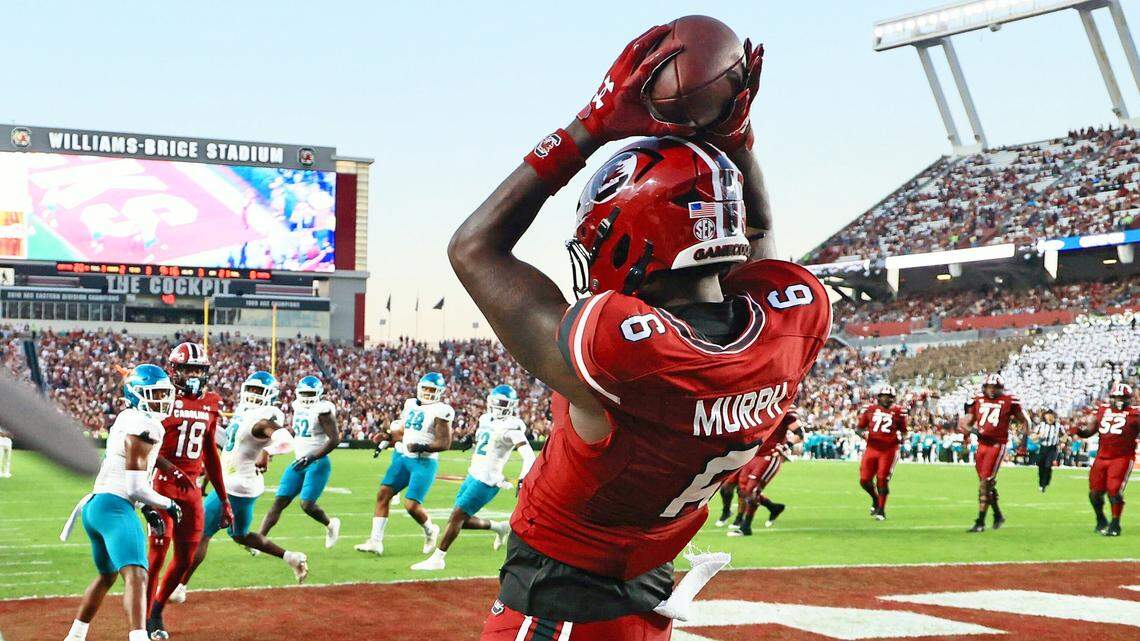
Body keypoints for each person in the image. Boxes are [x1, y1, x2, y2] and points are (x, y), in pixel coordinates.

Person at [449, 25, 824, 640]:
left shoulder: (624, 349)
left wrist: (590, 125)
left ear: (628, 236)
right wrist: (738, 141)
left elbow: (474, 248)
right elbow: (757, 239)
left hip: (561, 602)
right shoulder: (783, 326)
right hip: (649, 592)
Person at [164, 372, 309, 604]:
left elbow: (285, 441)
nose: (253, 395)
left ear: (270, 396)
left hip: (235, 486)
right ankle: (291, 557)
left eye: (259, 392)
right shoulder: (244, 414)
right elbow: (226, 443)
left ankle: (180, 586)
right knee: (241, 536)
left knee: (201, 534)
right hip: (242, 485)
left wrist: (267, 452)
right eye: (251, 389)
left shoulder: (263, 418)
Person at [61, 365, 182, 641]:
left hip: (96, 508)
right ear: (138, 394)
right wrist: (167, 504)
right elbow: (135, 487)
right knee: (137, 576)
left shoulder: (128, 417)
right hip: (114, 507)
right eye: (156, 393)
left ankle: (75, 636)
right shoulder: (144, 427)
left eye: (165, 392)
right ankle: (138, 637)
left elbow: (124, 477)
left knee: (107, 576)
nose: (163, 399)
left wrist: (148, 508)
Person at [145, 343, 230, 640]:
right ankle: (144, 622)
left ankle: (156, 609)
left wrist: (224, 498)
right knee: (156, 557)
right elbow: (146, 446)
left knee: (184, 560)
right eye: (188, 368)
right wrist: (171, 470)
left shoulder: (212, 401)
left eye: (198, 369)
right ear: (174, 371)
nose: (194, 374)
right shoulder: (161, 399)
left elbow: (211, 453)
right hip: (161, 485)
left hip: (192, 489)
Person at [411, 384, 536, 571]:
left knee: (455, 518)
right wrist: (471, 440)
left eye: (504, 403)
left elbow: (529, 455)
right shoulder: (486, 418)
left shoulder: (512, 428)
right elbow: (486, 440)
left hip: (487, 481)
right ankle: (499, 527)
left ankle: (438, 558)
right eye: (497, 402)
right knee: (461, 520)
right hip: (473, 474)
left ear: (511, 405)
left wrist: (523, 478)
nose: (499, 406)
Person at [355, 372, 454, 556]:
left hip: (424, 462)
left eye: (432, 390)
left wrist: (422, 446)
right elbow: (403, 431)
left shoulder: (441, 410)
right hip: (404, 459)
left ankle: (430, 530)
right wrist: (386, 436)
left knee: (411, 505)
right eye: (425, 389)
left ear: (439, 392)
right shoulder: (410, 404)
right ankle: (375, 541)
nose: (428, 393)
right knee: (383, 494)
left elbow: (445, 443)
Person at [258, 375, 341, 548]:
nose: (307, 397)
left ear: (318, 394)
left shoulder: (323, 410)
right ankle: (258, 540)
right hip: (299, 461)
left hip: (317, 462)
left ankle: (331, 524)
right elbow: (298, 434)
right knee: (279, 501)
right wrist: (274, 449)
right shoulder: (297, 406)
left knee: (307, 505)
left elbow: (334, 439)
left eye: (310, 393)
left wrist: (311, 457)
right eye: (304, 393)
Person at [959, 373, 1031, 533]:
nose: (992, 390)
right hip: (981, 445)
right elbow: (967, 422)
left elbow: (1025, 421)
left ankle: (980, 521)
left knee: (985, 483)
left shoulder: (1009, 401)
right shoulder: (977, 400)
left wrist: (1023, 443)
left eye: (995, 387)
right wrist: (972, 431)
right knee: (986, 483)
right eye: (989, 387)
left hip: (997, 444)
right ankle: (998, 514)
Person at [1074, 383, 1139, 536]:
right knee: (1094, 493)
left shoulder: (1135, 414)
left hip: (1122, 457)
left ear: (1129, 399)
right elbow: (1091, 431)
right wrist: (1080, 431)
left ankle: (1115, 524)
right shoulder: (1102, 411)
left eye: (1122, 398)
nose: (1119, 400)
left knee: (1114, 491)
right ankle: (1101, 519)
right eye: (1116, 397)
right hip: (1101, 457)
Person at [727, 411, 802, 536]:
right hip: (752, 455)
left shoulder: (784, 410)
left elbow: (800, 433)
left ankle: (746, 527)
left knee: (752, 491)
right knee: (743, 491)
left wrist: (785, 446)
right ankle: (773, 507)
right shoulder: (757, 407)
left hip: (769, 455)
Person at [856, 383, 907, 520]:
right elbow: (859, 428)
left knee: (882, 479)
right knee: (864, 480)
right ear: (879, 397)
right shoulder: (870, 410)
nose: (887, 399)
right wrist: (864, 435)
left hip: (889, 449)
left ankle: (881, 510)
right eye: (885, 397)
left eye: (890, 397)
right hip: (872, 447)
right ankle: (875, 499)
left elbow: (904, 432)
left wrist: (902, 439)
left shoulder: (898, 412)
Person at [1034, 409, 1063, 492]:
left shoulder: (1058, 426)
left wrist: (1062, 442)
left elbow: (1064, 436)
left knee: (1048, 465)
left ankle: (1044, 484)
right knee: (1041, 466)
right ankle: (1041, 483)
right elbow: (1033, 437)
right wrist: (1039, 436)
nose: (1049, 417)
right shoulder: (1041, 425)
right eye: (1047, 415)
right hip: (1043, 448)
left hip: (1052, 448)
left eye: (1051, 415)